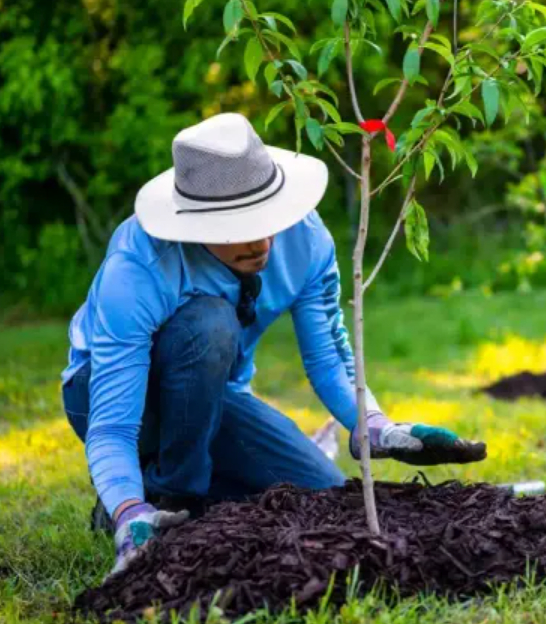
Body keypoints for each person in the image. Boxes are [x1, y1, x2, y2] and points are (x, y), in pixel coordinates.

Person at [60, 112, 485, 577]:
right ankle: (159, 499)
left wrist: (375, 426)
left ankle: (171, 488)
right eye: (236, 225)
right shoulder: (140, 267)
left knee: (321, 492)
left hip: (214, 398)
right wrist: (128, 511)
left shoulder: (305, 239)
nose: (262, 240)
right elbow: (113, 425)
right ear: (194, 224)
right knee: (210, 322)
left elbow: (328, 356)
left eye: (267, 218)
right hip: (109, 397)